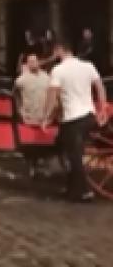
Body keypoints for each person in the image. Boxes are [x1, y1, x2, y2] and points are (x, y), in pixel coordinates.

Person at [41, 39, 108, 203]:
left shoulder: (58, 70)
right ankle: (72, 188)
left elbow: (52, 95)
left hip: (72, 119)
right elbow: (100, 87)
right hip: (89, 116)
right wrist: (103, 108)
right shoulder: (88, 66)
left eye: (55, 51)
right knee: (69, 151)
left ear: (59, 50)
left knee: (74, 156)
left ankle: (84, 192)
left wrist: (46, 117)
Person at [15, 53, 50, 125]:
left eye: (34, 61)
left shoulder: (47, 77)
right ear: (27, 64)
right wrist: (20, 111)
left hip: (44, 119)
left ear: (38, 62)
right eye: (30, 62)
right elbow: (15, 95)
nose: (32, 63)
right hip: (28, 119)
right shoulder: (21, 79)